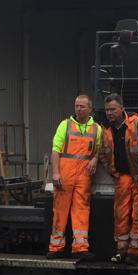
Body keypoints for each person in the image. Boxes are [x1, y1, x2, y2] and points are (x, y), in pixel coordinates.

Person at [99, 94, 138, 265]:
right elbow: (103, 154)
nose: (109, 113)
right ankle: (121, 250)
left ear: (122, 109)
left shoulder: (137, 124)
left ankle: (134, 251)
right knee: (120, 213)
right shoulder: (106, 131)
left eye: (113, 109)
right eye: (107, 110)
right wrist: (113, 172)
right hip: (122, 177)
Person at [47, 94, 101, 259]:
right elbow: (55, 150)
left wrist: (95, 159)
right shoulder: (65, 125)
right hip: (65, 175)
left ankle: (80, 247)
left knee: (81, 211)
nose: (78, 109)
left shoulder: (97, 129)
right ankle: (56, 248)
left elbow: (100, 149)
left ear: (90, 109)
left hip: (84, 176)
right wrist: (55, 172)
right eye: (76, 106)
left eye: (82, 106)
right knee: (60, 211)